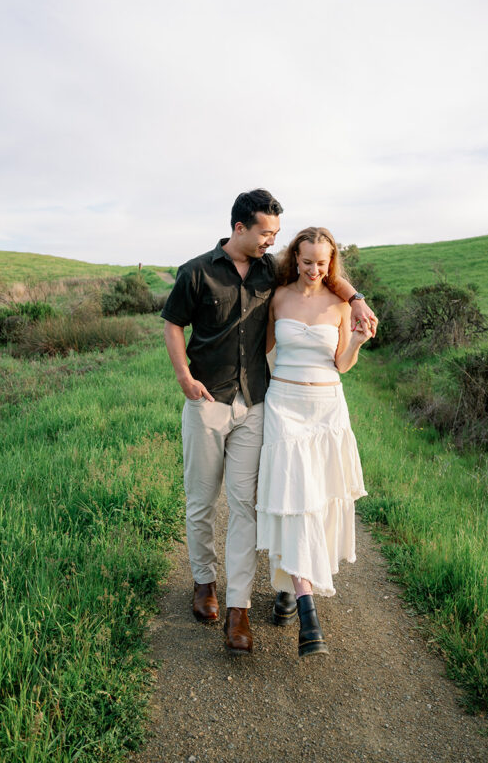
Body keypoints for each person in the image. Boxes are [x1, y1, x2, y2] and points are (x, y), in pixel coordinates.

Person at [161, 192, 377, 656]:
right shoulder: (196, 271)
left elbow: (321, 273)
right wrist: (183, 376)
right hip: (206, 400)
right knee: (202, 500)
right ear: (240, 227)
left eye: (276, 235)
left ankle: (238, 608)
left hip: (256, 402)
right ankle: (204, 581)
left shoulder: (267, 270)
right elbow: (173, 324)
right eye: (266, 233)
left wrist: (356, 299)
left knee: (245, 506)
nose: (272, 242)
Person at [256, 226, 371, 657]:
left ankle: (288, 585)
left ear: (331, 263)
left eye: (322, 264)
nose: (314, 271)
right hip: (284, 404)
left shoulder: (341, 303)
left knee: (317, 503)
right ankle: (307, 610)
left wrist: (357, 339)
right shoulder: (279, 298)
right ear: (295, 258)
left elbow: (341, 363)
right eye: (307, 262)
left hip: (326, 410)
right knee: (294, 498)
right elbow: (263, 351)